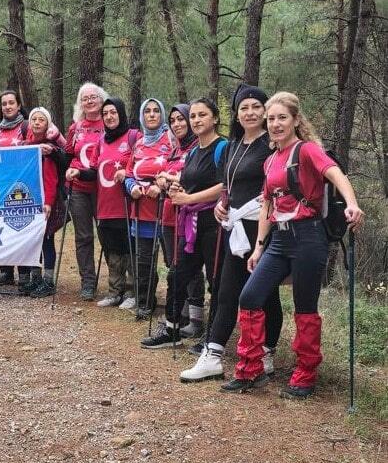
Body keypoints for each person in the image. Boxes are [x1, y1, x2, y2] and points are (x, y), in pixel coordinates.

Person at [224, 92, 364, 399]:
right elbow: (266, 207)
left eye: (281, 118)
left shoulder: (307, 150)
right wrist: (259, 248)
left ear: (295, 121)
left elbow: (335, 174)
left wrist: (352, 204)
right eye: (271, 118)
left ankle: (305, 375)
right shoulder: (271, 159)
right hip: (279, 240)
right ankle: (250, 369)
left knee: (304, 307)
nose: (275, 124)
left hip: (309, 237)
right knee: (249, 297)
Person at [181, 84, 283, 382]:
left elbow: (277, 187)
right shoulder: (235, 145)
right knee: (226, 293)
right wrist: (222, 205)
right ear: (236, 115)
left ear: (265, 111)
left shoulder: (273, 145)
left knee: (265, 294)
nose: (250, 113)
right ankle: (212, 355)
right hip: (234, 230)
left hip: (262, 230)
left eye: (256, 107)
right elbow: (228, 185)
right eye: (244, 108)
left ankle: (266, 352)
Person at [141, 98, 226, 350]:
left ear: (215, 119)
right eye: (194, 116)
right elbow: (190, 180)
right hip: (190, 224)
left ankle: (213, 336)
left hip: (215, 224)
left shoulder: (222, 148)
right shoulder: (193, 152)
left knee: (216, 279)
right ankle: (172, 328)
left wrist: (188, 197)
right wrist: (176, 185)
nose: (197, 120)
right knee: (177, 274)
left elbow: (225, 185)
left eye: (203, 115)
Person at [124, 98, 176, 319]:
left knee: (171, 260)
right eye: (147, 111)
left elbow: (179, 168)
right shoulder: (138, 142)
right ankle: (145, 302)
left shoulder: (172, 140)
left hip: (167, 211)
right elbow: (128, 173)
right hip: (141, 210)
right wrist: (131, 186)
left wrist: (159, 186)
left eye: (156, 111)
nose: (152, 115)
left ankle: (178, 308)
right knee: (144, 260)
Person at [156, 104, 203, 335]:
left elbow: (194, 181)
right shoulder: (174, 150)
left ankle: (196, 318)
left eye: (181, 119)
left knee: (190, 269)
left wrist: (171, 178)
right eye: (173, 120)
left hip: (189, 217)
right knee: (173, 266)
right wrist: (162, 181)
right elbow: (163, 180)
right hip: (168, 214)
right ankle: (180, 314)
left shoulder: (197, 148)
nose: (177, 124)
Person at [64, 82, 107, 300]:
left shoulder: (109, 122)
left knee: (107, 233)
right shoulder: (75, 127)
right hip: (79, 188)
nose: (89, 101)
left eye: (93, 97)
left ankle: (119, 284)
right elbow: (68, 153)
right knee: (83, 236)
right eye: (84, 98)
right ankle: (88, 282)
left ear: (101, 100)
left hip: (104, 188)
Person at [94, 98, 139, 309]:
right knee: (112, 248)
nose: (110, 117)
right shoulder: (102, 140)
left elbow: (142, 164)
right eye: (105, 114)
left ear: (121, 113)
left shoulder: (133, 136)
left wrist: (128, 173)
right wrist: (77, 172)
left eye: (113, 112)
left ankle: (133, 291)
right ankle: (115, 291)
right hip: (105, 205)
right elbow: (95, 169)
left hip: (127, 204)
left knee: (129, 248)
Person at [20, 107, 68, 298]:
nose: (37, 122)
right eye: (34, 120)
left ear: (48, 124)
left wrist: (48, 202)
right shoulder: (26, 145)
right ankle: (35, 278)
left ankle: (48, 281)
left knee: (46, 240)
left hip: (47, 201)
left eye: (42, 120)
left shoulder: (49, 148)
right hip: (29, 199)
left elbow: (51, 178)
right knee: (32, 241)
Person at [0, 90, 31, 288]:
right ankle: (6, 271)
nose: (8, 106)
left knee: (21, 228)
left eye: (11, 103)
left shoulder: (27, 126)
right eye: (4, 104)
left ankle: (24, 273)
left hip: (24, 186)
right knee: (2, 228)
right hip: (1, 186)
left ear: (19, 105)